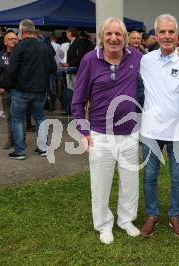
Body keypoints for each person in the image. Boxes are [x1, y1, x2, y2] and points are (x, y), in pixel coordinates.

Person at [71, 17, 143, 245]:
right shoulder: (90, 60)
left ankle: (126, 220)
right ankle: (103, 224)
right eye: (109, 34)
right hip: (100, 134)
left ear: (125, 38)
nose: (113, 38)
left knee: (130, 182)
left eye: (118, 34)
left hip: (130, 133)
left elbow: (162, 60)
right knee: (100, 184)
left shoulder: (137, 58)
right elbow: (77, 101)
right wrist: (84, 132)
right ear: (102, 37)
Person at [138, 14, 179, 239]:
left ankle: (175, 215)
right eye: (163, 32)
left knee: (177, 176)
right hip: (151, 131)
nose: (167, 36)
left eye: (171, 32)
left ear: (177, 35)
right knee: (150, 175)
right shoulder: (145, 60)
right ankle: (152, 215)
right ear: (156, 35)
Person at [5, 19, 56, 160]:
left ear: (22, 31)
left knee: (18, 120)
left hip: (21, 90)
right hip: (40, 90)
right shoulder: (44, 47)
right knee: (40, 118)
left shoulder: (19, 47)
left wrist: (5, 85)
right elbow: (53, 68)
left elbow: (12, 70)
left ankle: (20, 151)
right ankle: (43, 148)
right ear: (33, 30)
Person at [0, 32, 19, 149]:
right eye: (10, 39)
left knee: (19, 117)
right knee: (10, 117)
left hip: (20, 91)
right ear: (5, 42)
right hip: (6, 91)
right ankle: (11, 139)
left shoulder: (22, 55)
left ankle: (20, 140)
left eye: (15, 39)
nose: (13, 41)